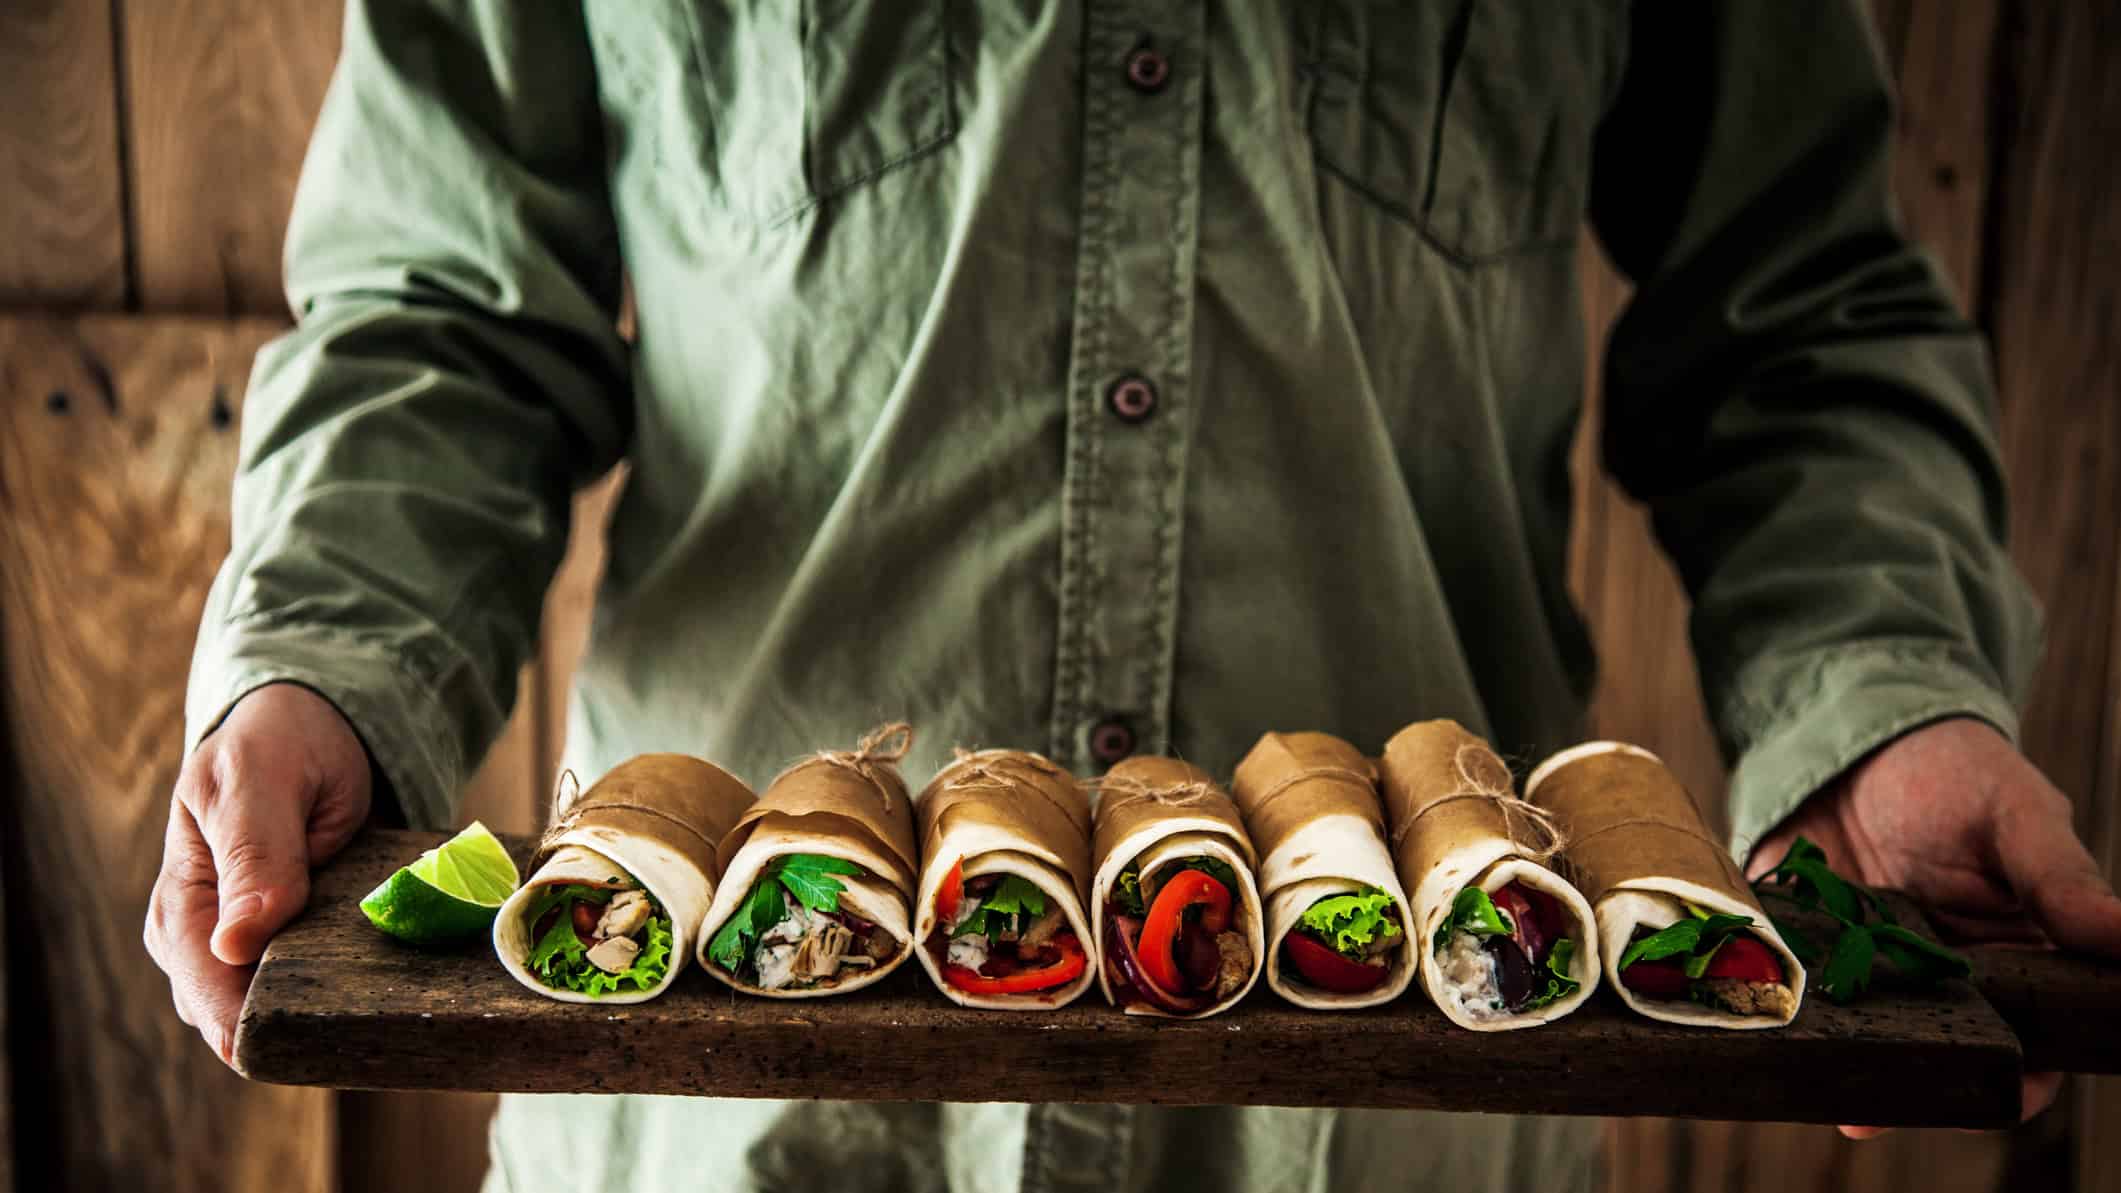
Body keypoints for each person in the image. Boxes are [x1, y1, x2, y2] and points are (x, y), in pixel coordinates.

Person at [144, 2, 2121, 1191]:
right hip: (725, 1106)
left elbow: (1799, 325)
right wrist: (325, 664)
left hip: (1419, 1103)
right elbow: (449, 318)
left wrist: (1886, 702)